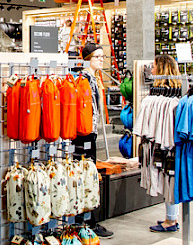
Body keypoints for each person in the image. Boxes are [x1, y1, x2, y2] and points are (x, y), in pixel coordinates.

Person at [77, 42, 114, 239]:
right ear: (87, 59)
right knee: (86, 177)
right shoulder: (84, 79)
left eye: (102, 56)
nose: (101, 60)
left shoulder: (92, 78)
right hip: (83, 135)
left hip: (89, 133)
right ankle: (86, 223)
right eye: (98, 56)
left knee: (89, 176)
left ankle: (87, 221)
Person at [149, 54, 180, 233]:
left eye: (153, 67)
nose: (151, 70)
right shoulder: (179, 91)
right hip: (173, 142)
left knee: (169, 178)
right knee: (170, 179)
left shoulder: (163, 96)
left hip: (166, 143)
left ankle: (171, 221)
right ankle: (171, 216)